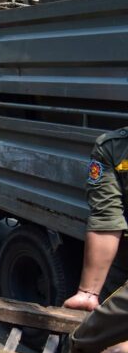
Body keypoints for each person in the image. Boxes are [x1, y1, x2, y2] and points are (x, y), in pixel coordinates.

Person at [63, 127, 128, 311]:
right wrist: (88, 293)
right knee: (105, 334)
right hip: (123, 265)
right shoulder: (115, 147)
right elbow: (107, 217)